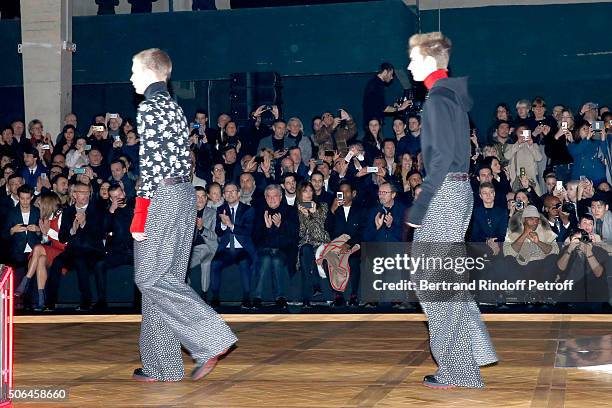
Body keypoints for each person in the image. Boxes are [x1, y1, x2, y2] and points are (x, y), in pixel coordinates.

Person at [128, 48, 236, 382]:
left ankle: (211, 338)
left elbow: (151, 165)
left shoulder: (148, 107)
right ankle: (163, 367)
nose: (131, 77)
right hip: (184, 196)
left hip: (161, 196)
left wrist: (140, 213)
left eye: (134, 71)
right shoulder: (175, 108)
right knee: (166, 280)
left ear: (149, 71)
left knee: (149, 277)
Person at [405, 32, 497, 389]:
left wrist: (421, 203)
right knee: (443, 283)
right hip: (458, 191)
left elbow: (440, 157)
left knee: (434, 284)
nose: (409, 65)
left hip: (444, 195)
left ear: (429, 61)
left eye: (413, 58)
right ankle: (470, 355)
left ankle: (459, 368)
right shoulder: (450, 96)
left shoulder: (438, 98)